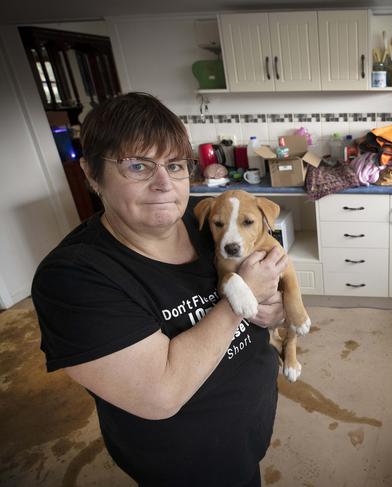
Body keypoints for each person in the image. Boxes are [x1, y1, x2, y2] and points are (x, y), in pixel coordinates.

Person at [31, 92, 287, 486]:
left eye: (176, 165)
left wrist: (273, 307)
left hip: (246, 433)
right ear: (91, 174)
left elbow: (272, 296)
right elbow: (160, 395)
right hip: (186, 464)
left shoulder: (209, 223)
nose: (164, 184)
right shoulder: (73, 278)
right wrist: (241, 298)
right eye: (138, 166)